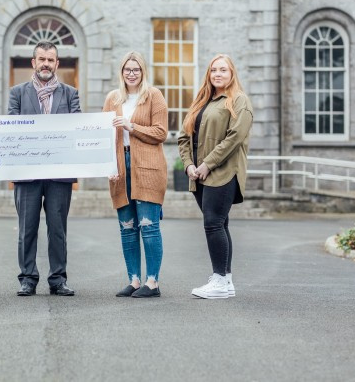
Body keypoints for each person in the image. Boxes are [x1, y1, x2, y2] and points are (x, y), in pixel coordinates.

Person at [8, 41, 81, 297]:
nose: (46, 64)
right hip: (27, 175)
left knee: (57, 229)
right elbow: (12, 132)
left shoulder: (70, 94)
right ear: (33, 62)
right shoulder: (17, 93)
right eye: (42, 59)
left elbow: (76, 129)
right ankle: (27, 278)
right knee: (27, 228)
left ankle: (58, 279)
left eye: (51, 59)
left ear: (57, 63)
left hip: (59, 175)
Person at [177, 54, 253, 300]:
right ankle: (225, 280)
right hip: (198, 174)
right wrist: (189, 165)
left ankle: (219, 281)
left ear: (232, 74)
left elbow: (235, 138)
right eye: (213, 70)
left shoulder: (239, 101)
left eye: (223, 70)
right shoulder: (202, 101)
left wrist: (208, 164)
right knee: (220, 223)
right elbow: (183, 136)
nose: (218, 74)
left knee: (213, 223)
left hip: (223, 172)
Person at [103, 51, 168, 298]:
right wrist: (108, 166)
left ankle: (152, 282)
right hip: (121, 166)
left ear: (143, 72)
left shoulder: (154, 96)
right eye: (127, 70)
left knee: (148, 225)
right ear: (122, 72)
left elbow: (161, 132)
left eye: (136, 70)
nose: (131, 74)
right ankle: (134, 280)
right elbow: (104, 137)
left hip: (148, 166)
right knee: (127, 226)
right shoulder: (113, 99)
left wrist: (132, 126)